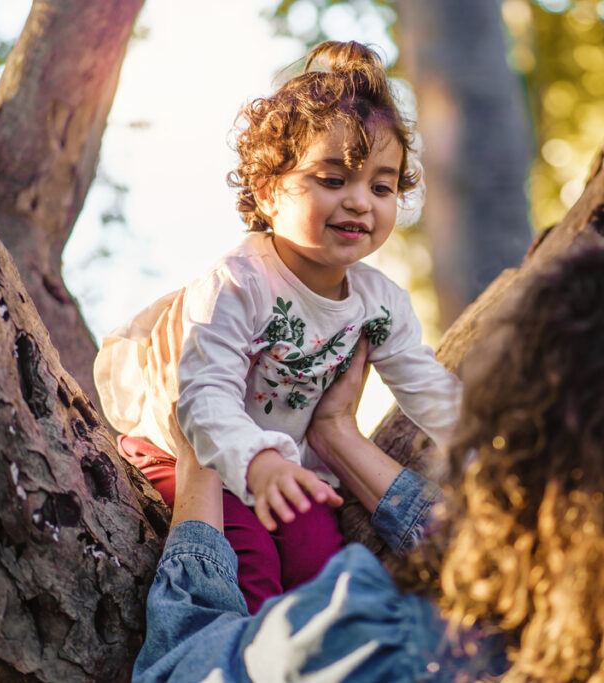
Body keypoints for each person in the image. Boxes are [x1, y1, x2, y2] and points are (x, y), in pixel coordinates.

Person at [133, 240, 604, 682]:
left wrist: (199, 465)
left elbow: (177, 671)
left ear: (507, 438)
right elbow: (511, 558)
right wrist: (339, 439)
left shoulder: (378, 642)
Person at [92, 40, 461, 614]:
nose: (361, 202)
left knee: (321, 559)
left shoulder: (378, 302)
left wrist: (492, 443)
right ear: (268, 191)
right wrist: (257, 463)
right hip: (195, 454)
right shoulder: (240, 283)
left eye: (381, 186)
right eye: (333, 180)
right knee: (252, 565)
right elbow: (204, 394)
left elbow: (425, 384)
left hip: (281, 464)